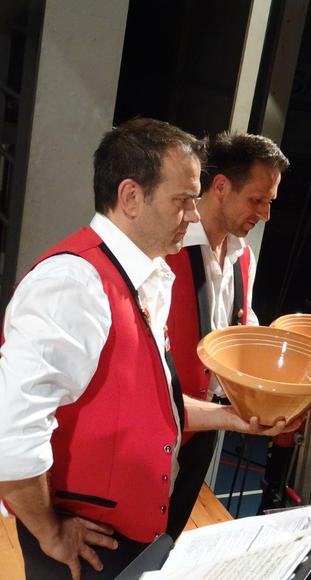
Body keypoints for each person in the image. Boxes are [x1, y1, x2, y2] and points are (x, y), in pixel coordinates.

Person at [0, 118, 293, 580]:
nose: (193, 215)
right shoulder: (72, 282)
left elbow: (150, 403)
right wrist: (50, 532)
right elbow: (11, 438)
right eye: (182, 201)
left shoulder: (147, 276)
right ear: (131, 197)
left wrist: (234, 417)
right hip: (90, 538)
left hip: (130, 527)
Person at [166, 131, 300, 540]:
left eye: (270, 202)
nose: (265, 214)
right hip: (156, 428)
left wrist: (283, 391)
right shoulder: (165, 249)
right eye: (257, 200)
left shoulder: (244, 255)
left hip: (202, 427)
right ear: (221, 187)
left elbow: (240, 335)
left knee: (169, 538)